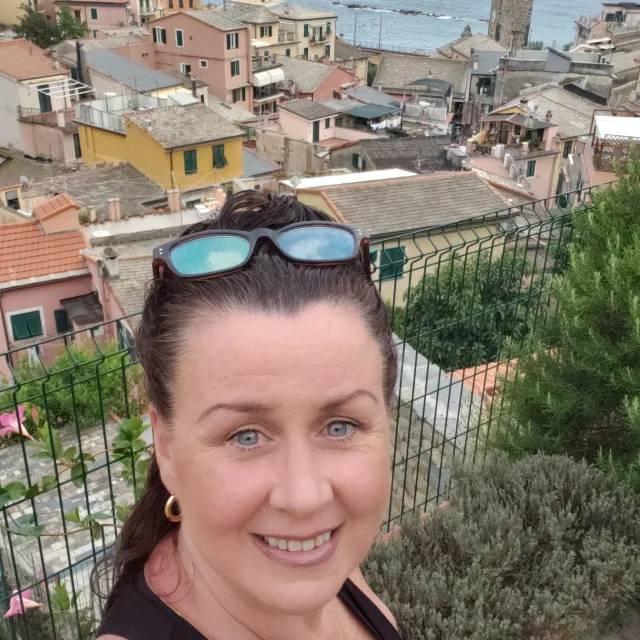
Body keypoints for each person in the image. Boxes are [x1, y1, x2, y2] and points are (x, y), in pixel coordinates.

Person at [97, 191, 402, 640]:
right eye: (245, 436)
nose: (305, 499)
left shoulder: (333, 565)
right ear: (166, 448)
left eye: (341, 426)